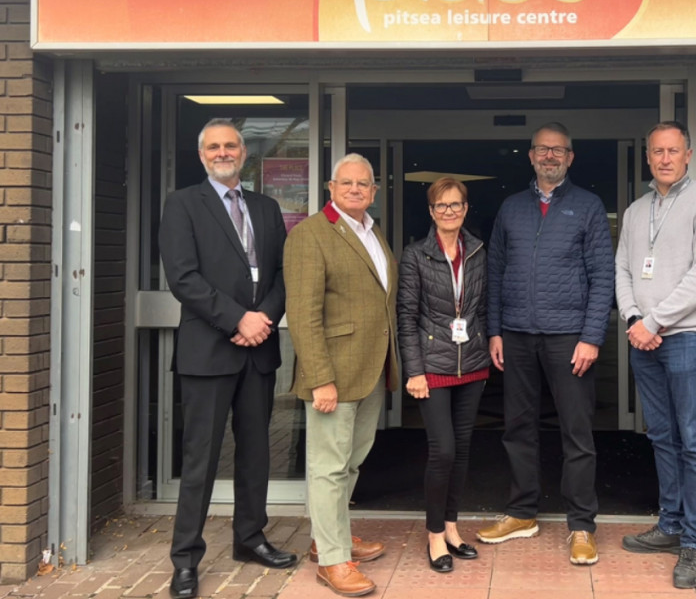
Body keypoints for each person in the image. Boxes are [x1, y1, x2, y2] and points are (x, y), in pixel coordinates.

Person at [159, 119, 295, 599]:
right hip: (209, 352)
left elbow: (283, 274)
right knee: (200, 461)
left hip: (258, 354)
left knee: (256, 455)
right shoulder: (182, 205)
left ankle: (249, 538)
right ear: (202, 155)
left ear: (244, 153)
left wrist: (265, 318)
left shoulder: (266, 206)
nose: (223, 152)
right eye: (214, 146)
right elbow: (183, 278)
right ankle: (185, 559)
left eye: (231, 145)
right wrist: (239, 319)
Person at [476, 122, 615, 566]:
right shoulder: (511, 207)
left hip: (569, 337)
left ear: (570, 158)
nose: (550, 156)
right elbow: (494, 272)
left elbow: (603, 278)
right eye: (542, 149)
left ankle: (581, 525)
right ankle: (521, 512)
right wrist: (494, 329)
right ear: (530, 156)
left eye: (558, 150)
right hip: (515, 334)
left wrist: (592, 336)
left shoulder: (588, 206)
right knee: (517, 428)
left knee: (577, 433)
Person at [614, 121, 696, 589]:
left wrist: (653, 322)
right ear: (647, 157)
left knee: (695, 441)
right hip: (645, 339)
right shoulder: (636, 210)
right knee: (662, 436)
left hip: (687, 338)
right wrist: (631, 320)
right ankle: (671, 524)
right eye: (656, 152)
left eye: (672, 151)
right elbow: (622, 266)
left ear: (688, 154)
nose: (664, 159)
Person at [284, 154, 399, 598]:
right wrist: (320, 379)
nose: (355, 189)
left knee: (351, 460)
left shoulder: (372, 231)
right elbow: (304, 315)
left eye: (363, 184)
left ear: (373, 191)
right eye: (346, 183)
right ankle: (333, 560)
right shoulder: (310, 235)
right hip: (334, 373)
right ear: (331, 188)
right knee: (329, 467)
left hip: (370, 369)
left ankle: (327, 536)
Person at [397, 177, 490, 573]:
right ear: (431, 211)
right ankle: (434, 534)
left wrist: (487, 344)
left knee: (464, 449)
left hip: (472, 363)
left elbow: (484, 306)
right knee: (444, 450)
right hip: (431, 366)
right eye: (441, 206)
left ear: (466, 209)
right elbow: (406, 317)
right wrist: (414, 369)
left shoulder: (479, 252)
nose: (449, 212)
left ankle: (452, 528)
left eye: (455, 205)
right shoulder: (415, 255)